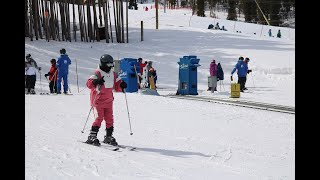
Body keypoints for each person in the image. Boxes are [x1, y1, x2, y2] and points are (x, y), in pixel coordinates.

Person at [85, 54, 127, 146]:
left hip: (108, 100)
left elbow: (117, 85)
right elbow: (89, 84)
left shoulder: (113, 74)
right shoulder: (97, 73)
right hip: (97, 101)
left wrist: (122, 85)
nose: (110, 67)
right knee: (98, 118)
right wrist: (96, 81)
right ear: (103, 64)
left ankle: (108, 136)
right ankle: (92, 136)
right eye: (108, 65)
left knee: (109, 118)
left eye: (111, 65)